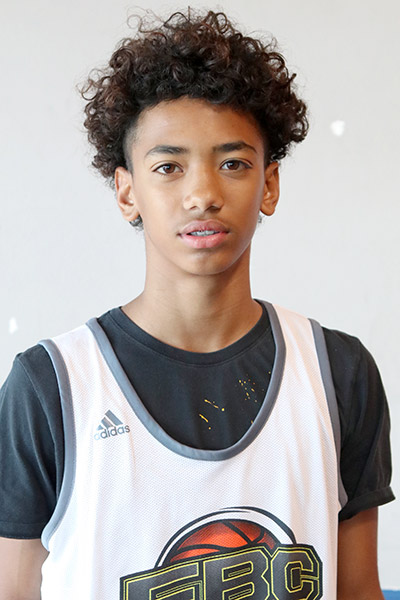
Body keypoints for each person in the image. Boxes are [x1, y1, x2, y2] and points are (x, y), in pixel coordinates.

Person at [0, 9, 394, 600]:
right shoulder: (50, 387)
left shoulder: (338, 374)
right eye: (169, 166)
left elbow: (358, 589)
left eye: (233, 163)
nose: (203, 194)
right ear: (127, 191)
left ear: (269, 185)